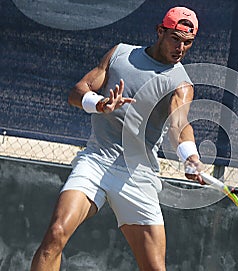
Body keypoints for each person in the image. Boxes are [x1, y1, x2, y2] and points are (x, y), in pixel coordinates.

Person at [30, 6, 204, 271]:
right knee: (55, 234)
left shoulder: (180, 83)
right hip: (97, 161)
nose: (180, 48)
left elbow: (179, 125)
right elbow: (77, 92)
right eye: (175, 39)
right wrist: (100, 104)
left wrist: (190, 157)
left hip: (138, 175)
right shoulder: (121, 54)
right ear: (160, 31)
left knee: (155, 268)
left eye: (187, 43)